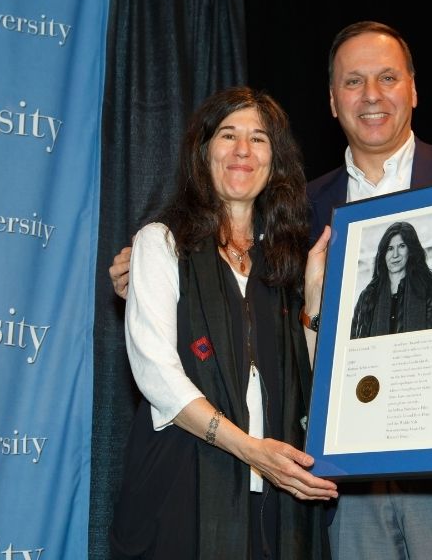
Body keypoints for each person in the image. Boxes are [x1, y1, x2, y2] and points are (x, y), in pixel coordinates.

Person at [110, 22, 432, 559]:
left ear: (413, 89)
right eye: (353, 82)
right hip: (352, 489)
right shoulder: (305, 208)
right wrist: (146, 274)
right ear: (331, 100)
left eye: (387, 77)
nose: (371, 95)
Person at [108, 86, 337, 560]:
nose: (242, 151)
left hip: (275, 492)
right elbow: (156, 374)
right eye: (228, 135)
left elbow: (307, 381)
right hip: (182, 481)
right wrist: (251, 449)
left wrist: (312, 300)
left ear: (275, 159)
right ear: (204, 149)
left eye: (258, 139)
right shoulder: (162, 242)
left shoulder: (286, 261)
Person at [350, 220, 432, 338]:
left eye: (402, 246)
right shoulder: (368, 295)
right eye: (390, 248)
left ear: (411, 250)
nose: (395, 254)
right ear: (383, 253)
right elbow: (355, 340)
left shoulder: (427, 287)